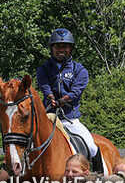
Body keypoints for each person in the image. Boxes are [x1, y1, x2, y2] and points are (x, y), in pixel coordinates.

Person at [37, 28, 102, 173]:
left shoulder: (80, 70)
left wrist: (62, 101)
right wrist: (51, 97)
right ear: (52, 49)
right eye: (58, 46)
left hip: (69, 118)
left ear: (70, 48)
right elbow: (44, 85)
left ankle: (100, 178)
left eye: (65, 46)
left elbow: (76, 92)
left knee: (91, 146)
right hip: (48, 117)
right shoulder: (44, 68)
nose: (61, 50)